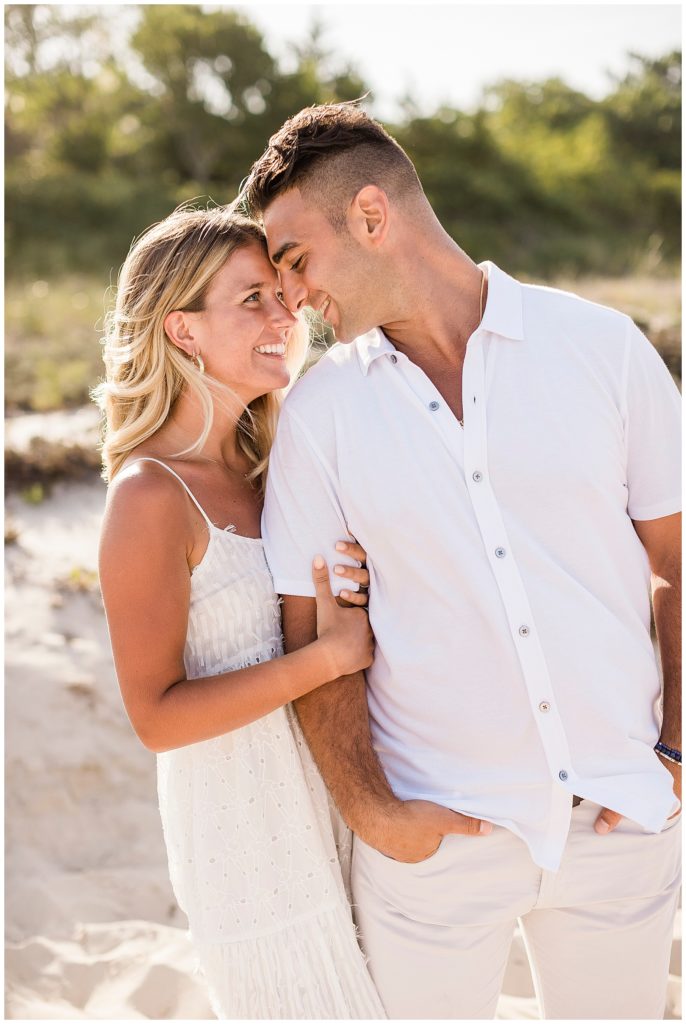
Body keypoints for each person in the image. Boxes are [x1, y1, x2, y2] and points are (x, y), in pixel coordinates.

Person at [242, 102, 682, 1020]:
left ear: (372, 215)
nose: (291, 299)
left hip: (618, 821)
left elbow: (676, 562)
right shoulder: (321, 416)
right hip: (435, 847)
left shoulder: (601, 348)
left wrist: (676, 746)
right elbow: (310, 632)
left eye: (294, 261)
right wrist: (372, 812)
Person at [95, 205, 386, 1019]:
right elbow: (156, 717)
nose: (284, 314)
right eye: (252, 298)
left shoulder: (278, 463)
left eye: (282, 293)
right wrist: (326, 658)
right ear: (183, 330)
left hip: (338, 813)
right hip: (251, 853)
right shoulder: (152, 497)